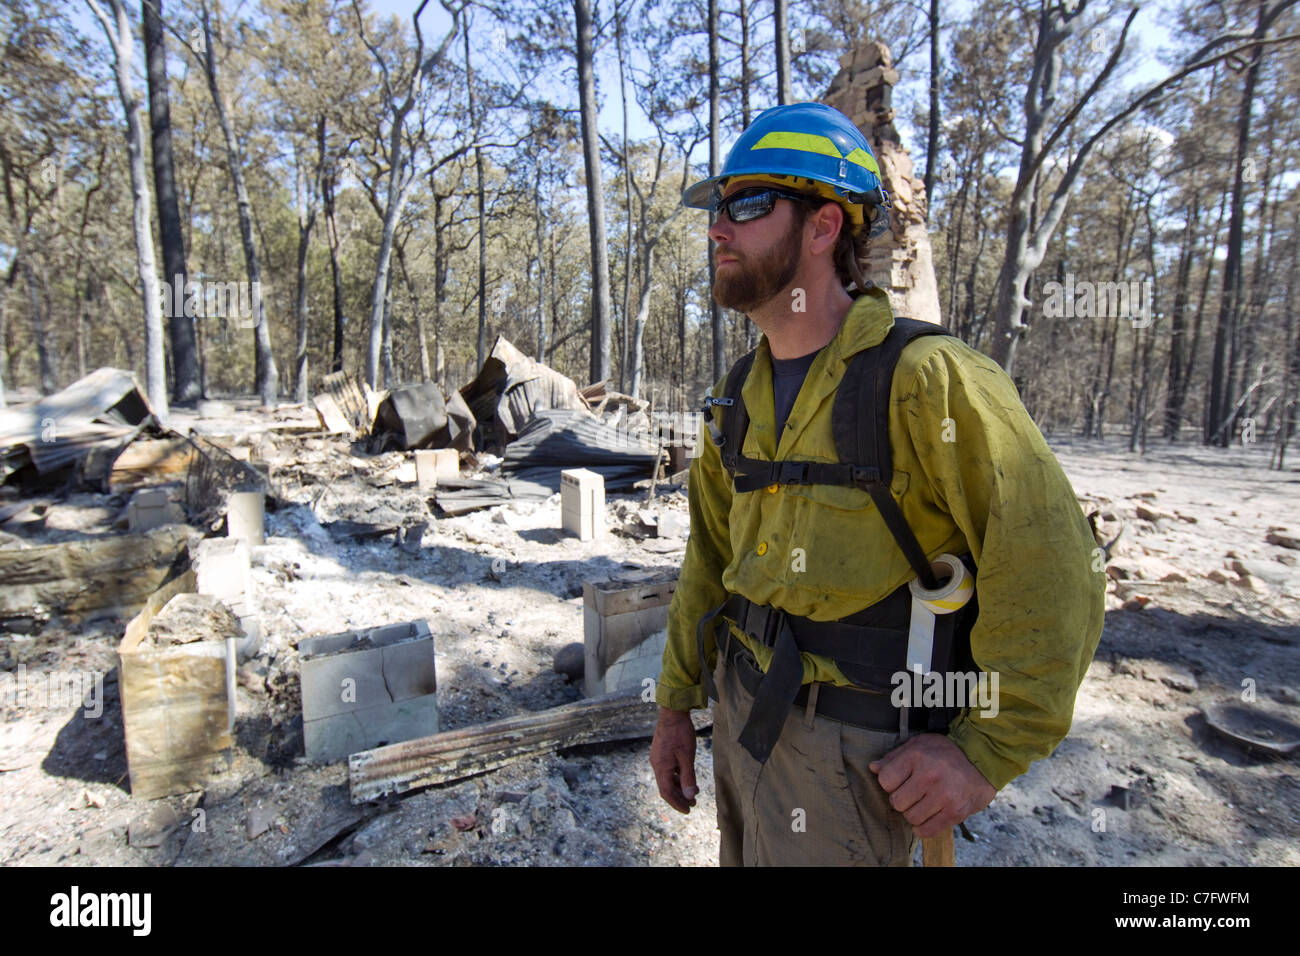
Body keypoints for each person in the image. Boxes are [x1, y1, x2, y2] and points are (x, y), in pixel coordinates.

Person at [648, 102, 1105, 867]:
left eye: (748, 204)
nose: (717, 228)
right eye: (716, 208)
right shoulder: (735, 397)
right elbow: (709, 560)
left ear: (825, 227)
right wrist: (675, 704)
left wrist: (986, 752)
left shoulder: (929, 380)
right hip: (743, 720)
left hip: (858, 758)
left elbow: (1056, 572)